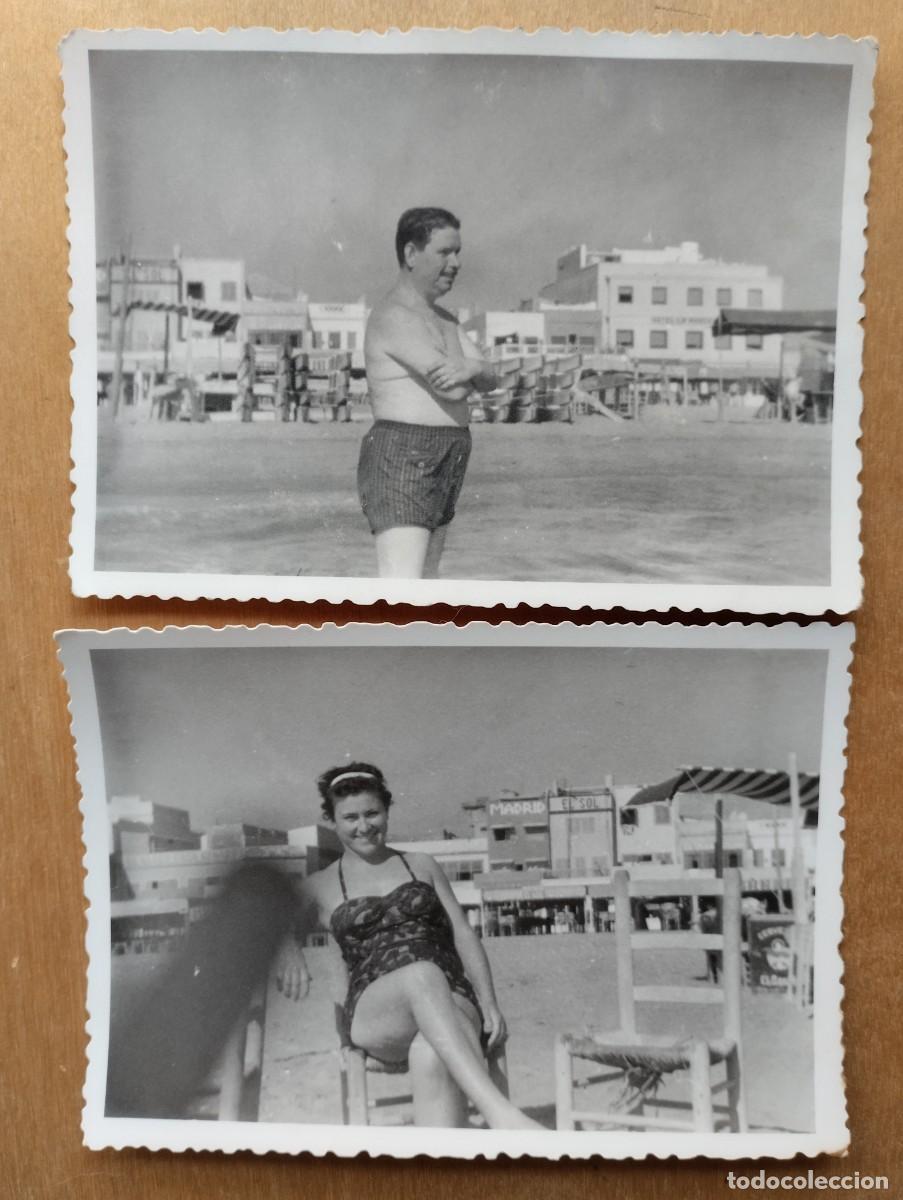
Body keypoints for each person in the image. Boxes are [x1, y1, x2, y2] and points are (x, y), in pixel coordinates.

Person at [275, 762, 541, 1130]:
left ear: (387, 811)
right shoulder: (319, 885)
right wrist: (290, 952)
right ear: (332, 821)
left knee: (431, 1053)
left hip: (453, 996)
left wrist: (490, 1002)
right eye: (350, 817)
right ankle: (500, 1114)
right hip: (378, 1011)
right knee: (420, 975)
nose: (364, 825)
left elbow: (463, 933)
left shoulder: (422, 865)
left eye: (373, 813)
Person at [360, 208, 500, 578]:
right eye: (444, 252)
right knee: (403, 588)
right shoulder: (393, 315)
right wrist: (474, 368)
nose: (456, 263)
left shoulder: (445, 319)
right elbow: (453, 388)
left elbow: (491, 375)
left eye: (458, 253)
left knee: (427, 581)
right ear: (410, 254)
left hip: (449, 453)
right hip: (405, 454)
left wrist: (474, 368)